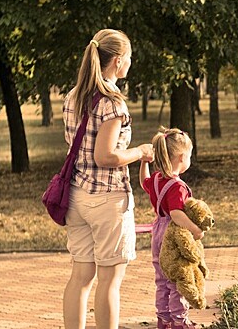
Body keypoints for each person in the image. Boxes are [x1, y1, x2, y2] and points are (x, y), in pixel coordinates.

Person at [62, 28, 154, 329]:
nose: (130, 62)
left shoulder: (73, 96)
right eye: (128, 57)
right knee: (110, 281)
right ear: (116, 61)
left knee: (80, 276)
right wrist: (139, 151)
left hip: (76, 196)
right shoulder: (112, 104)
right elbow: (106, 157)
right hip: (107, 200)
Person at [139, 127, 204, 329]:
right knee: (178, 277)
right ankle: (179, 321)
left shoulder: (157, 179)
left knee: (161, 279)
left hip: (157, 230)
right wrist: (195, 229)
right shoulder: (178, 186)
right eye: (190, 156)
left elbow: (143, 183)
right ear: (182, 157)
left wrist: (143, 163)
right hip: (172, 235)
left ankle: (164, 319)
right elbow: (176, 214)